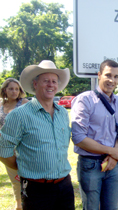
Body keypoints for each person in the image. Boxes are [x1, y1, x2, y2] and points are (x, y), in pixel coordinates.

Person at [0, 60, 74, 210]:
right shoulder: (19, 115)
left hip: (65, 185)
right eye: (45, 81)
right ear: (35, 84)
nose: (51, 85)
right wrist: (23, 166)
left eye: (54, 81)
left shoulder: (63, 114)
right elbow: (3, 149)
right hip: (36, 190)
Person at [71, 59, 118, 210]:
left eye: (116, 77)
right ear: (99, 75)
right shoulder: (84, 100)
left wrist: (114, 157)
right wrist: (112, 151)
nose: (112, 80)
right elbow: (78, 138)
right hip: (91, 165)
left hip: (113, 165)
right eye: (108, 75)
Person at [0, 78, 28, 210]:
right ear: (5, 90)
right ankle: (18, 205)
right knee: (14, 178)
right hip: (6, 148)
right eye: (11, 89)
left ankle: (27, 202)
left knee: (24, 177)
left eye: (17, 89)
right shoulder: (1, 105)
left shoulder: (24, 103)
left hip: (22, 146)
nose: (14, 91)